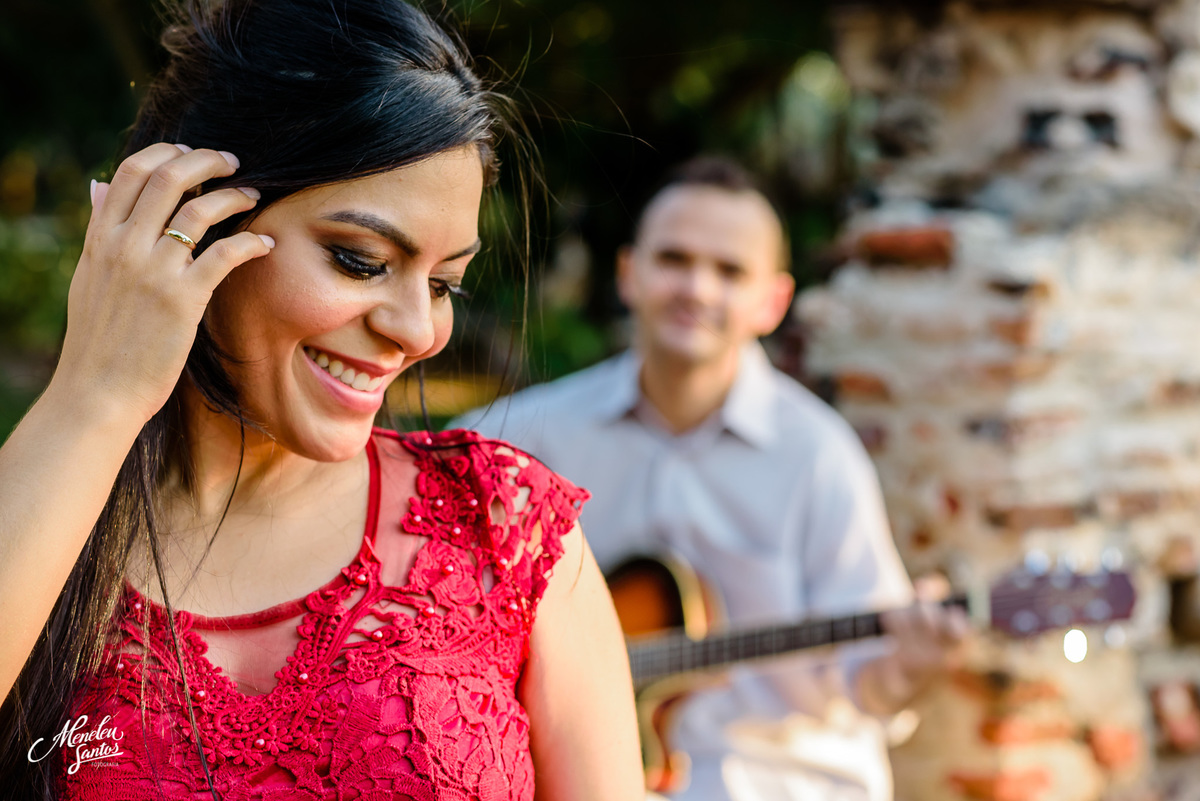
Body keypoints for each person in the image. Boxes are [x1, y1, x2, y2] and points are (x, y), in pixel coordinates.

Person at [0, 1, 644, 799]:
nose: (418, 331)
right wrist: (96, 395)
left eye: (443, 283)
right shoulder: (39, 525)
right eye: (360, 260)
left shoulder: (504, 532)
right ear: (190, 221)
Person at [454, 157, 966, 801]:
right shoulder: (528, 435)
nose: (697, 288)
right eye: (674, 259)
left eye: (729, 271)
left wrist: (909, 667)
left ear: (773, 301)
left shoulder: (817, 455)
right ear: (628, 274)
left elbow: (866, 684)